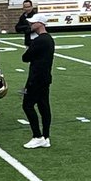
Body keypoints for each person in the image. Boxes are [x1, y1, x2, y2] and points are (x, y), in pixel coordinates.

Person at [21, 15, 55, 149]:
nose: (30, 25)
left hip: (36, 78)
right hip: (45, 77)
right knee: (43, 106)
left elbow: (25, 57)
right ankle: (46, 136)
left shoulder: (40, 40)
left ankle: (37, 136)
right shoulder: (48, 39)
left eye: (33, 23)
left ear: (40, 24)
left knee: (27, 105)